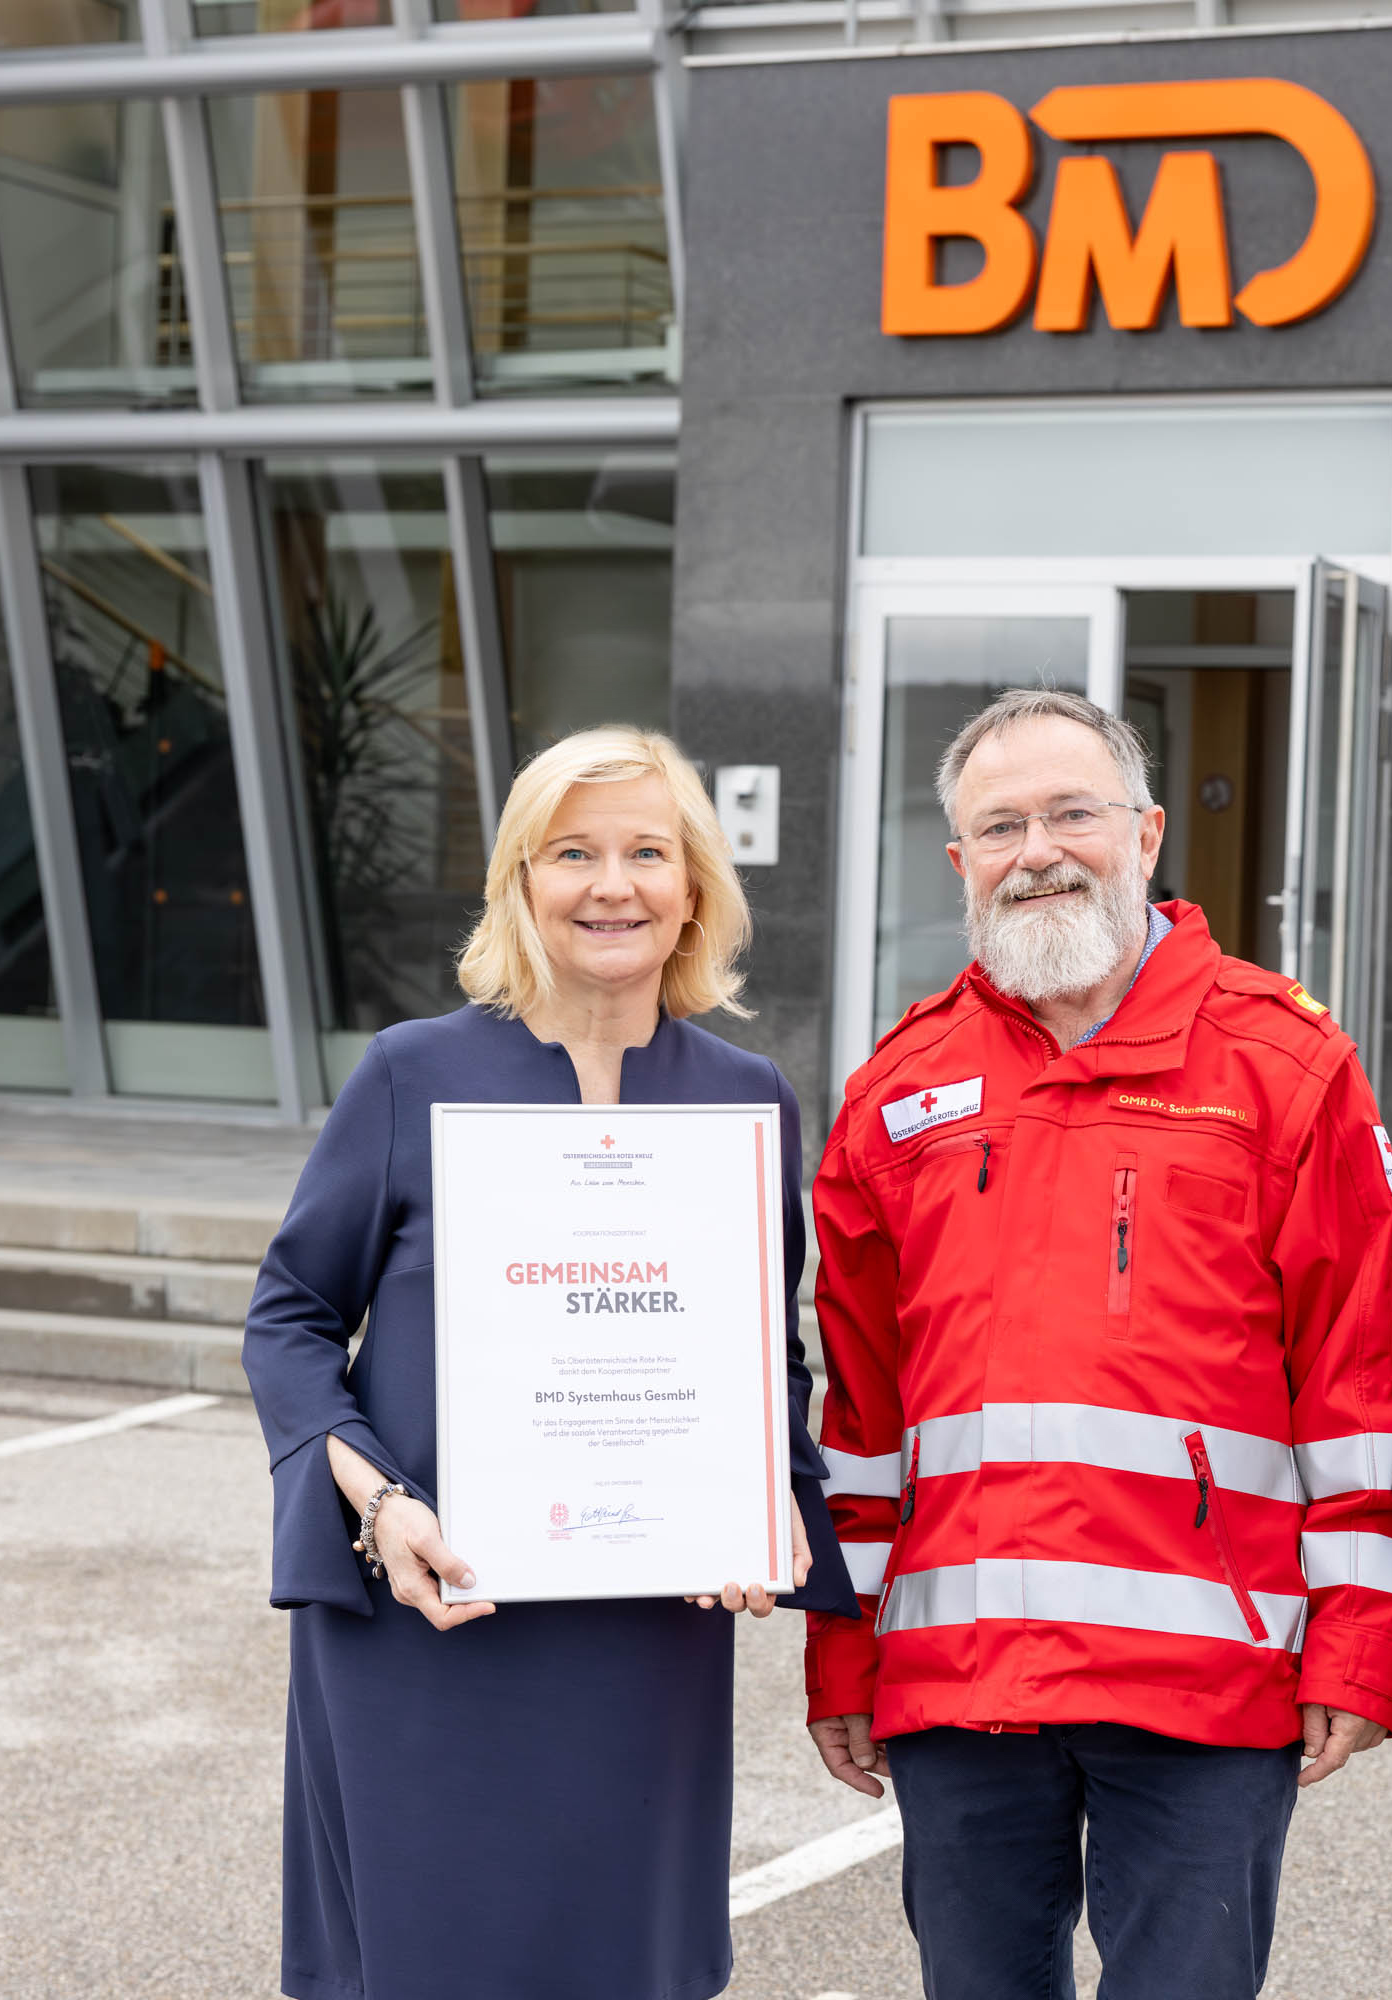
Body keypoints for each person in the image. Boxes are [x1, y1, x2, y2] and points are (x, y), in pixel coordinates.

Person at [805, 687, 1392, 2000]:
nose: (1036, 850)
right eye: (998, 826)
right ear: (959, 863)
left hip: (1204, 1682)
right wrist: (841, 1649)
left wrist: (1357, 1644)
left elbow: (1361, 1380)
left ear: (1144, 833)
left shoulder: (1285, 1063)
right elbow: (857, 1417)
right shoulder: (892, 1093)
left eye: (1070, 814)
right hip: (955, 1683)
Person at [242, 726, 853, 2000]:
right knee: (428, 1950)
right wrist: (378, 1502)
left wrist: (768, 1505)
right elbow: (291, 1316)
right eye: (572, 852)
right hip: (436, 1613)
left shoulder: (745, 1094)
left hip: (643, 1639)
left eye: (646, 850)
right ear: (522, 880)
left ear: (695, 886)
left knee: (622, 1953)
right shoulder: (413, 1071)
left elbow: (761, 1351)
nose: (611, 883)